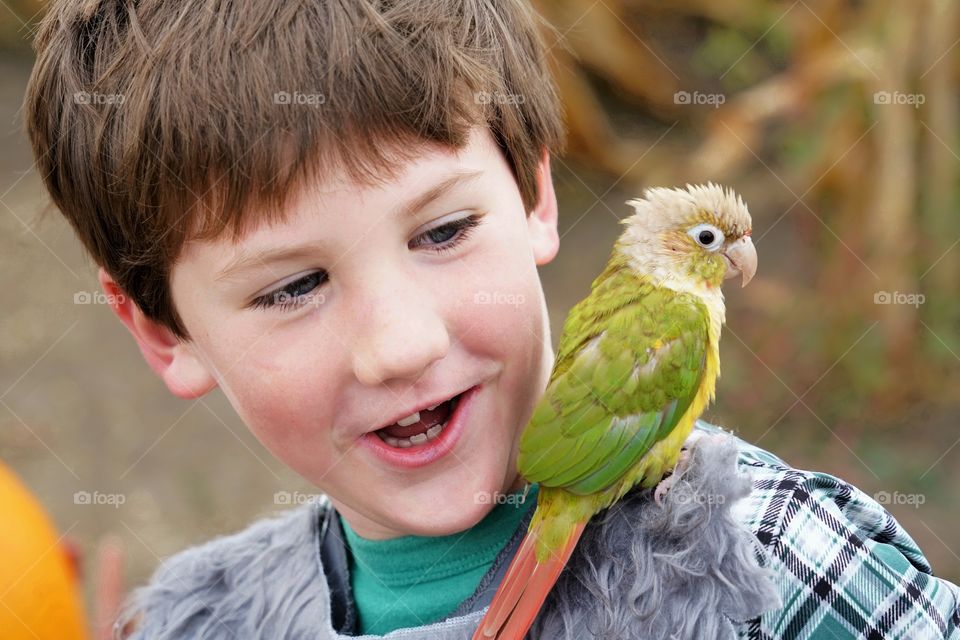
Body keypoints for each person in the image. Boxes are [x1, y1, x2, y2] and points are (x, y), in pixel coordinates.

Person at [22, 1, 959, 638]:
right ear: (162, 331)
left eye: (443, 230)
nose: (403, 344)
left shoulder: (772, 562)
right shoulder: (195, 620)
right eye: (291, 287)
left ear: (536, 195)